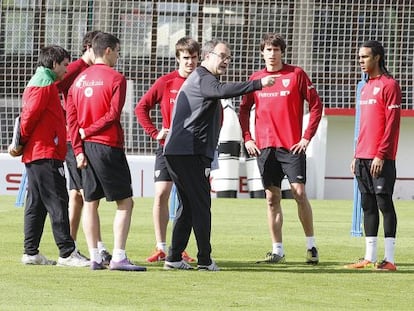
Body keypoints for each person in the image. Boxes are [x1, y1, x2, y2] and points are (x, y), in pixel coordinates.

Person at [162, 39, 277, 271]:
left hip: (181, 152)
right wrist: (257, 84)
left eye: (228, 57)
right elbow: (218, 91)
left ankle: (174, 258)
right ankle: (204, 260)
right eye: (222, 56)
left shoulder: (203, 78)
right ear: (207, 56)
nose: (226, 61)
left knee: (189, 205)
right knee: (201, 205)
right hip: (188, 152)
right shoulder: (204, 77)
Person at [239, 33, 323, 265]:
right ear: (262, 53)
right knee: (271, 198)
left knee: (299, 193)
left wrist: (306, 137)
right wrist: (248, 138)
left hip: (292, 147)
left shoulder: (296, 74)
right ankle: (277, 250)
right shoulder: (256, 79)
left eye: (276, 49)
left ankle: (311, 246)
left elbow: (316, 105)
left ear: (282, 52)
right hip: (265, 148)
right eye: (268, 49)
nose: (272, 54)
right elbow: (244, 109)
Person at [66, 32, 146, 271]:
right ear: (108, 51)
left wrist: (78, 149)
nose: (119, 56)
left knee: (90, 202)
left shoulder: (77, 81)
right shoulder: (116, 78)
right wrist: (89, 131)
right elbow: (112, 115)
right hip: (107, 145)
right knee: (125, 202)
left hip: (85, 149)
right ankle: (119, 257)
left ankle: (94, 257)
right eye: (118, 51)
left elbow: (71, 121)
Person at [8, 45, 89, 267]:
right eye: (64, 65)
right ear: (53, 64)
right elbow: (28, 118)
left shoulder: (43, 82)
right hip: (45, 152)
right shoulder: (43, 86)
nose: (66, 70)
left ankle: (31, 252)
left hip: (38, 153)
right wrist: (19, 143)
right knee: (58, 200)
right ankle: (67, 252)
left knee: (36, 204)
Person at [135, 37, 200, 263]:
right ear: (177, 59)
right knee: (162, 194)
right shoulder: (166, 82)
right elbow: (141, 107)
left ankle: (179, 247)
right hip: (167, 148)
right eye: (185, 58)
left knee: (186, 198)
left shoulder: (204, 82)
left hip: (192, 151)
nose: (190, 62)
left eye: (193, 58)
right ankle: (161, 246)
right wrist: (155, 133)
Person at [345, 40, 401, 271]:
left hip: (381, 158)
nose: (360, 61)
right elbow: (364, 125)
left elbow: (391, 124)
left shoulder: (390, 85)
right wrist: (356, 155)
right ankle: (369, 257)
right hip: (362, 157)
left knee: (383, 204)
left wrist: (380, 154)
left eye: (365, 57)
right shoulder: (364, 86)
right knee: (367, 205)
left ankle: (390, 260)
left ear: (377, 57)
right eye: (359, 57)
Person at [56, 30, 111, 264]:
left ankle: (74, 246)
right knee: (83, 194)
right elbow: (55, 91)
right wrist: (67, 119)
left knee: (81, 195)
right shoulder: (76, 68)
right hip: (74, 139)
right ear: (89, 46)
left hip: (85, 138)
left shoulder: (93, 71)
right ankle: (77, 248)